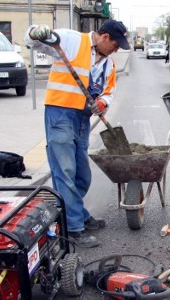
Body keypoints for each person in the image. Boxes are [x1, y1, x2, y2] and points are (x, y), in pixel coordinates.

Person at [24, 20, 130, 247]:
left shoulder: (109, 64)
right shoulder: (71, 40)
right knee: (64, 171)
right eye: (115, 44)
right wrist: (35, 32)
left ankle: (77, 212)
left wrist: (102, 102)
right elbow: (34, 42)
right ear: (104, 37)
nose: (116, 49)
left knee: (82, 175)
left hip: (83, 119)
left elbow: (109, 91)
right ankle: (73, 227)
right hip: (60, 113)